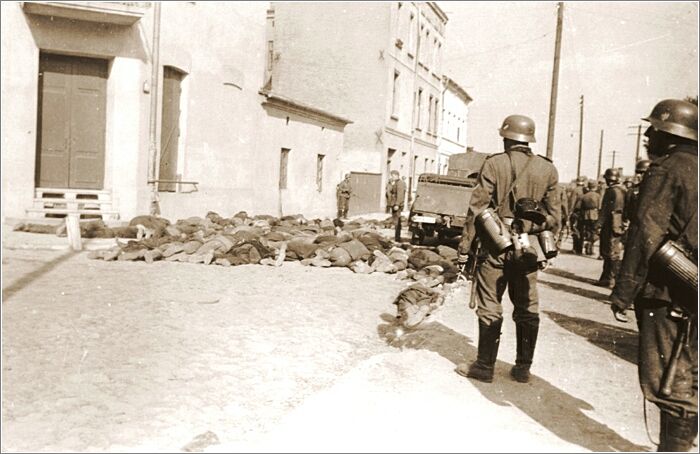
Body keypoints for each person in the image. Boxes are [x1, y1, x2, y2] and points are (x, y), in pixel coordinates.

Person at [610, 98, 698, 451]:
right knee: (688, 373)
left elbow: (646, 234)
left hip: (669, 291)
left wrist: (623, 292)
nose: (648, 136)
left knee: (667, 378)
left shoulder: (665, 170)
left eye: (655, 130)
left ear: (669, 135)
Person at [455, 114, 560, 384]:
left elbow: (477, 210)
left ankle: (484, 367)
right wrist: (530, 226)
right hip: (528, 249)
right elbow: (554, 217)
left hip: (495, 248)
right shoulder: (547, 169)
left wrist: (465, 248)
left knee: (490, 305)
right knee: (527, 307)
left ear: (506, 138)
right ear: (529, 140)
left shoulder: (494, 164)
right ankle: (523, 369)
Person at [594, 168, 626, 288]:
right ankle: (607, 278)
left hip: (610, 224)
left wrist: (598, 224)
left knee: (610, 252)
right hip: (619, 224)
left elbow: (605, 210)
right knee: (612, 251)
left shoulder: (611, 191)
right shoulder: (623, 190)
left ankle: (610, 279)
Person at [576, 180, 601, 256]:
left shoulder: (584, 196)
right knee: (594, 232)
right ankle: (590, 247)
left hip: (585, 215)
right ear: (595, 187)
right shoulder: (598, 196)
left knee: (587, 231)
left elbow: (578, 207)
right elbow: (600, 207)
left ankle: (587, 246)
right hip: (595, 215)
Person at [386, 170, 406, 242]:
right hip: (394, 203)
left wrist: (397, 204)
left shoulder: (400, 183)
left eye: (392, 176)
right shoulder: (396, 183)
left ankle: (397, 238)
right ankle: (397, 237)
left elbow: (400, 195)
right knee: (396, 221)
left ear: (396, 175)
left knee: (397, 221)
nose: (392, 177)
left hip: (397, 204)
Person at [569, 177, 586, 254]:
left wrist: (570, 212)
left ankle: (575, 248)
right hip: (584, 213)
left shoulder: (575, 190)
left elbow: (572, 202)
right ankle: (580, 249)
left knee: (575, 230)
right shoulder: (585, 190)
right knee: (581, 230)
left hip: (576, 212)